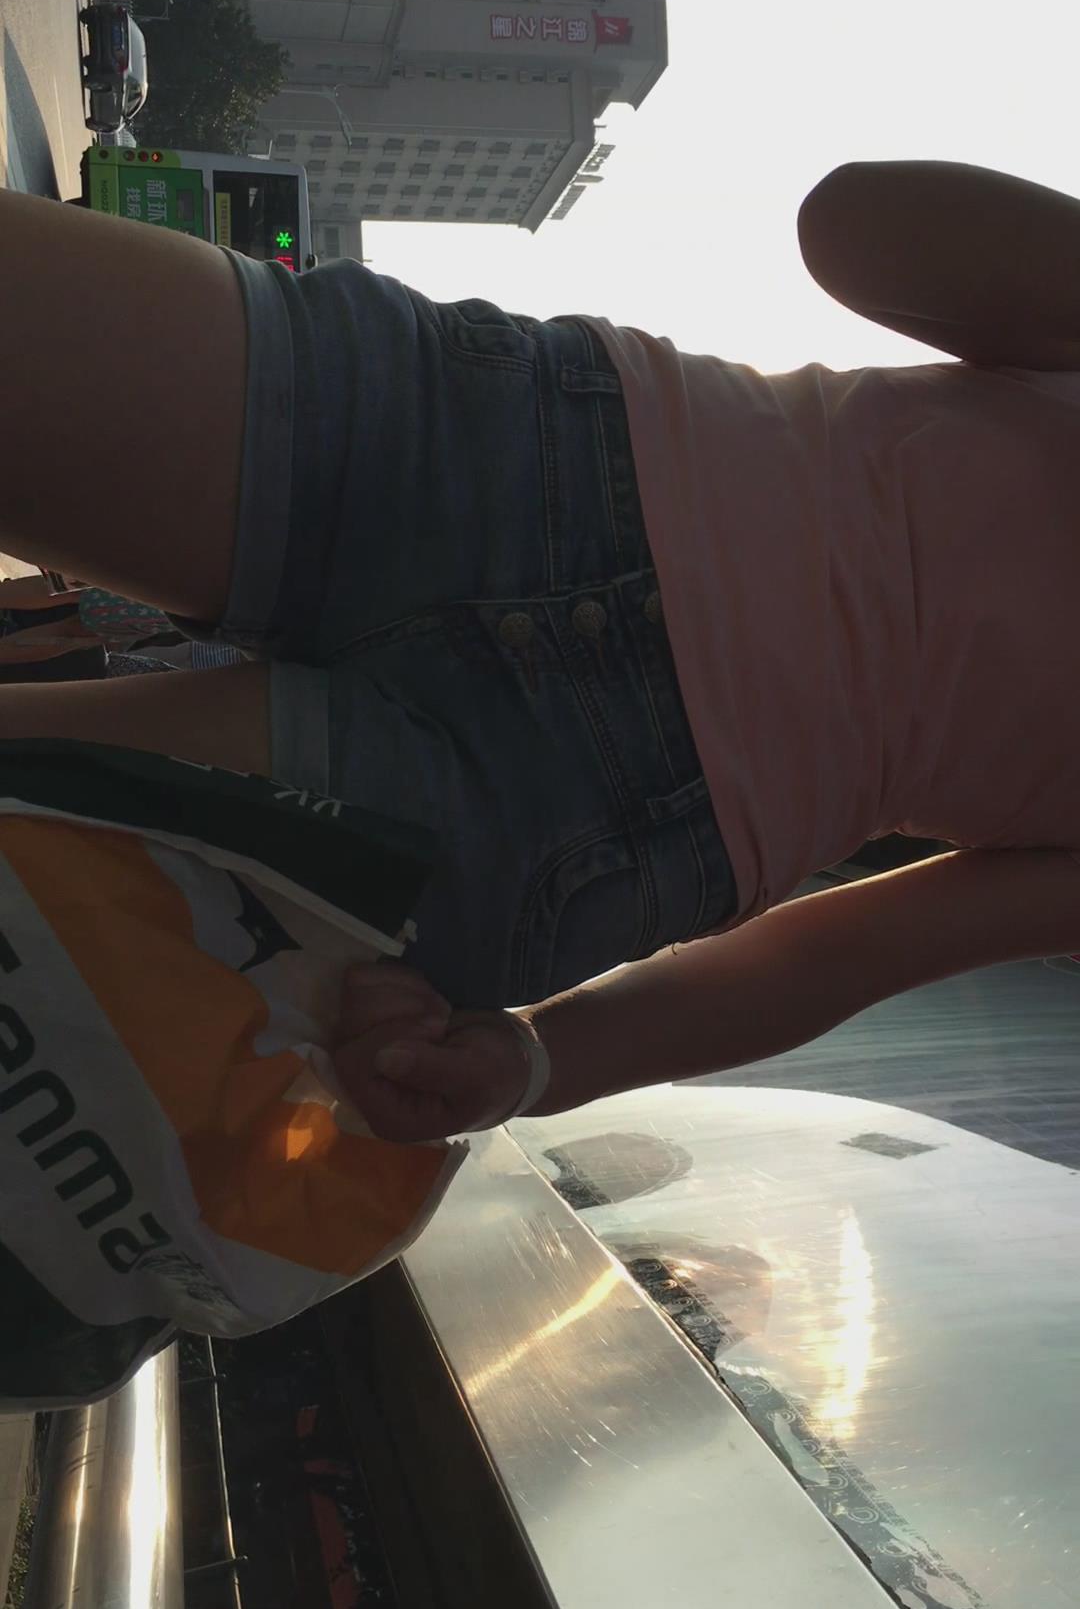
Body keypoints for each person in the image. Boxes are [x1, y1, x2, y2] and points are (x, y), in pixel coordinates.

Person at [3, 163, 1080, 1146]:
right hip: (508, 456)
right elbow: (851, 226)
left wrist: (536, 1062)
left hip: (569, 804)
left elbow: (850, 955)